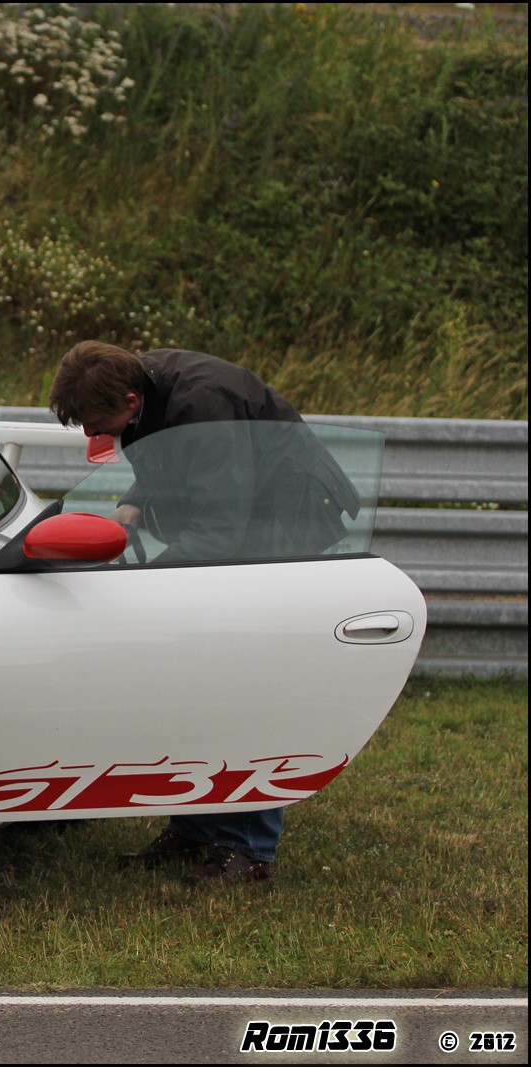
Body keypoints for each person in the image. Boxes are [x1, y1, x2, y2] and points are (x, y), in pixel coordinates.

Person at [47, 340, 362, 884]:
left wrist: (144, 585)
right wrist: (135, 501)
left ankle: (247, 847)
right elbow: (176, 461)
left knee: (247, 687)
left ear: (128, 398)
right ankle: (195, 830)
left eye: (100, 423)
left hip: (286, 525)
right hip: (239, 521)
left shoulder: (204, 404)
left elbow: (220, 526)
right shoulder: (146, 392)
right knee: (194, 682)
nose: (96, 434)